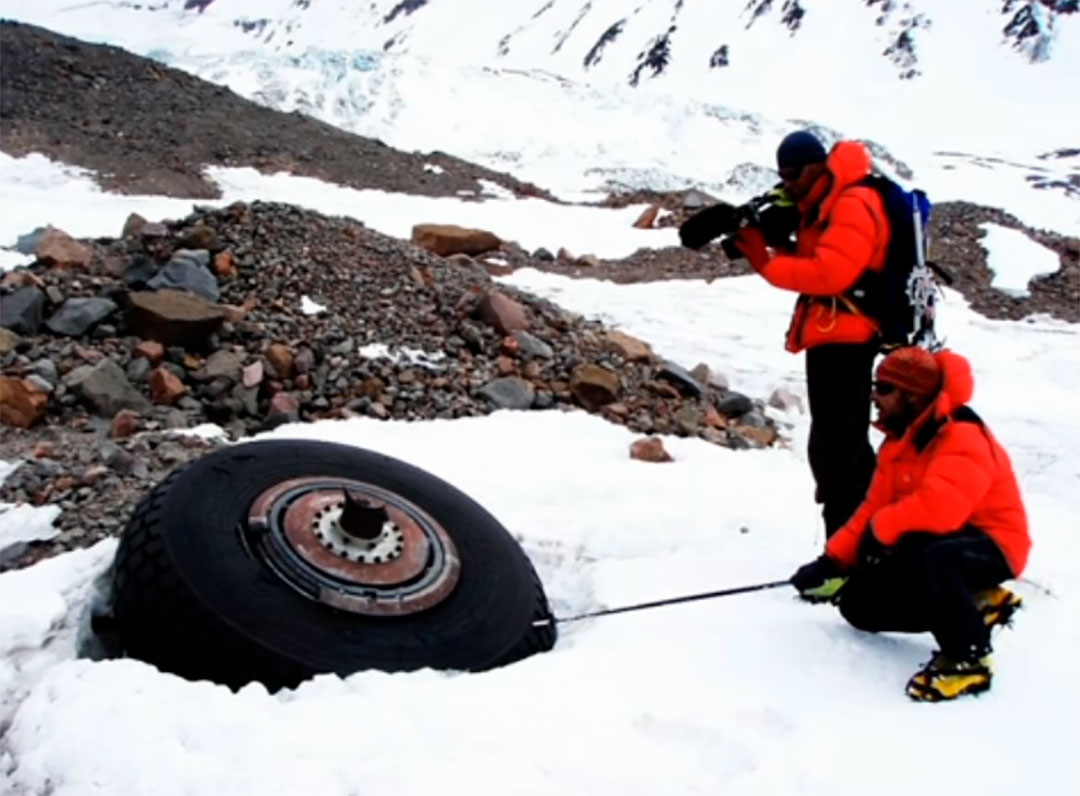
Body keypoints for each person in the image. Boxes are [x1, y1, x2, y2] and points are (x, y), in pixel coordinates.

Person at [790, 346, 1030, 701]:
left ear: (914, 396)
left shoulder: (962, 437)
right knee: (859, 607)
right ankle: (974, 603)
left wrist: (879, 532)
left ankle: (969, 659)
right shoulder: (899, 441)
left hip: (992, 545)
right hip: (937, 542)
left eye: (885, 389)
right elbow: (873, 508)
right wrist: (832, 561)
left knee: (928, 553)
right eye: (876, 385)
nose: (875, 395)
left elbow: (940, 511)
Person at [727, 130, 891, 537]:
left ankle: (849, 554)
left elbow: (829, 273)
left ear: (818, 164)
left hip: (848, 335)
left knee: (836, 449)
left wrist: (764, 263)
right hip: (834, 334)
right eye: (782, 175)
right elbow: (817, 258)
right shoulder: (826, 202)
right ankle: (865, 537)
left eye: (795, 173)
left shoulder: (853, 201)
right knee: (842, 444)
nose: (789, 183)